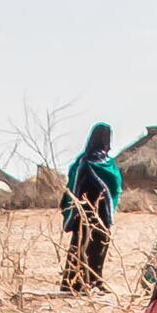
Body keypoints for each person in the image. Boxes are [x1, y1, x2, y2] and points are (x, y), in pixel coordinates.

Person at [60, 121, 122, 291]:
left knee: (100, 245)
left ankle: (96, 281)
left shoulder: (109, 162)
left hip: (103, 212)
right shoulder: (85, 162)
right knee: (82, 245)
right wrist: (77, 209)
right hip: (85, 211)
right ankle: (74, 283)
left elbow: (115, 187)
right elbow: (75, 185)